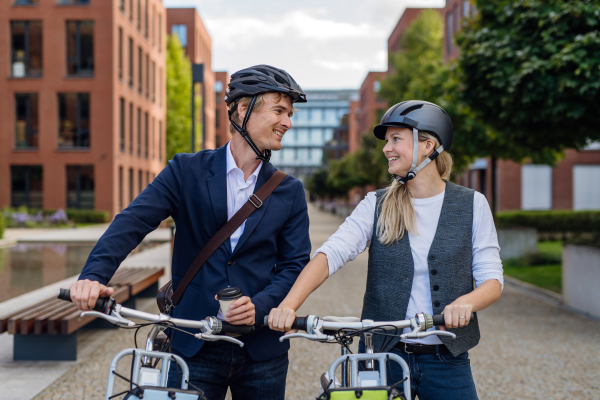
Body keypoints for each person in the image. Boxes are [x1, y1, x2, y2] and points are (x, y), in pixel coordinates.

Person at [71, 65, 312, 400]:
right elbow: (133, 222)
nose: (288, 122)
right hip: (191, 343)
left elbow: (295, 265)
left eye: (290, 113)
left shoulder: (289, 191)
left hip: (262, 351)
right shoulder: (186, 171)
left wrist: (259, 306)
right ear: (243, 109)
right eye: (279, 111)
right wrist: (93, 275)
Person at [269, 100, 503, 400]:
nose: (385, 148)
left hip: (448, 358)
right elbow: (332, 253)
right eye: (387, 140)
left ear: (427, 146)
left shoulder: (472, 204)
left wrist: (467, 303)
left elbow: (492, 281)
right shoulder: (376, 204)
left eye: (396, 139)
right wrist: (289, 305)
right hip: (382, 357)